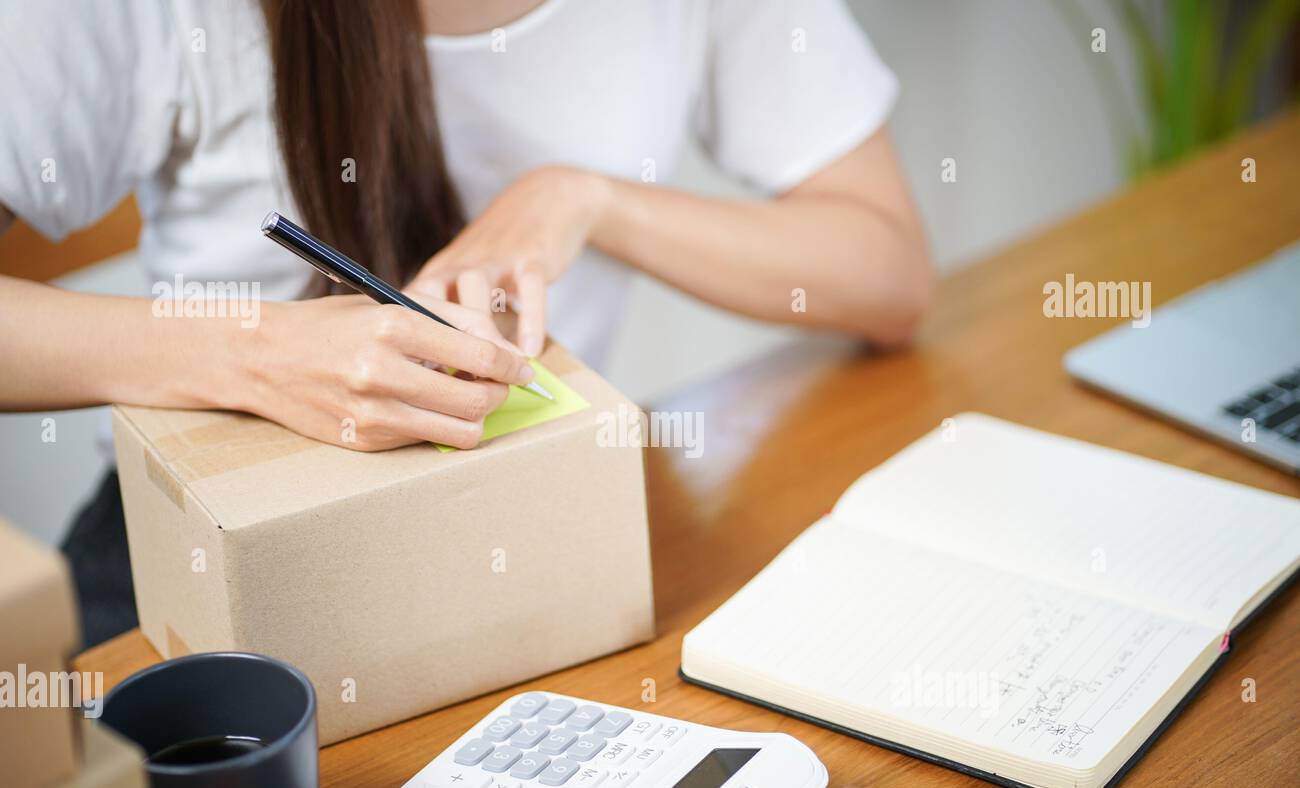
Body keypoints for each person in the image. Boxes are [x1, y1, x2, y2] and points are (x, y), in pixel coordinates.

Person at [0, 0, 933, 644]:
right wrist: (252, 353)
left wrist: (587, 201)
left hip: (527, 518)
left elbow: (887, 271)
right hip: (190, 559)